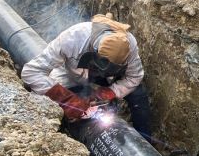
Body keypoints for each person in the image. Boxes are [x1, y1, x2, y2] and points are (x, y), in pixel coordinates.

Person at [21, 14, 152, 141]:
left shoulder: (129, 45)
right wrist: (65, 99)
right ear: (94, 53)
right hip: (71, 76)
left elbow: (135, 76)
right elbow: (31, 71)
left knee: (138, 94)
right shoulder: (73, 38)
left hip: (106, 80)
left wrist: (110, 92)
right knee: (62, 106)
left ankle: (146, 143)